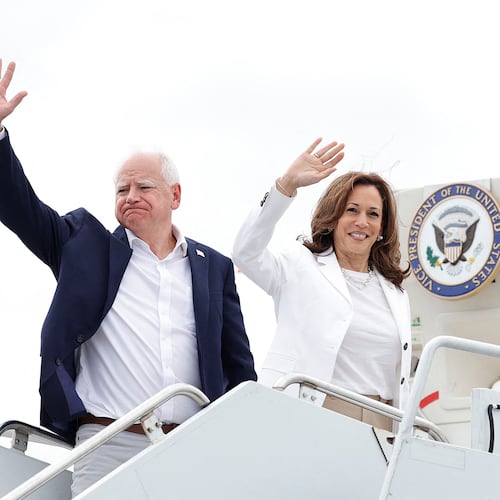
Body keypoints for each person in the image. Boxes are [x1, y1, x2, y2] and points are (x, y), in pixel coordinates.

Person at [0, 59, 256, 496]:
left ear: (175, 195)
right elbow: (20, 207)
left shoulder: (212, 267)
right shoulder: (84, 244)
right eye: (122, 190)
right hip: (107, 445)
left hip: (192, 449)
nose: (131, 197)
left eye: (144, 187)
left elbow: (238, 368)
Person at [232, 138, 412, 432]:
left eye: (373, 214)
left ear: (382, 228)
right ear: (333, 216)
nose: (361, 222)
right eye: (351, 210)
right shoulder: (299, 266)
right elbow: (245, 252)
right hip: (316, 412)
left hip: (382, 421)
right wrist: (286, 186)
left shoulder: (396, 293)